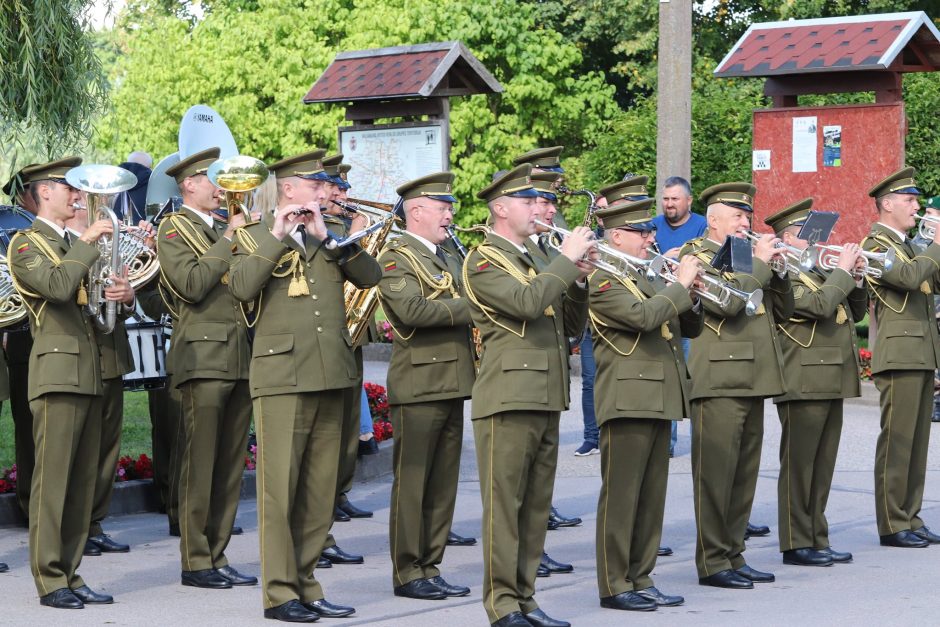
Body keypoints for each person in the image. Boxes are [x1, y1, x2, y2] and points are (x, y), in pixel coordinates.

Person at [229, 149, 381, 623]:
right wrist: (276, 235)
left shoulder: (328, 237)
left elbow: (372, 278)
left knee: (319, 491)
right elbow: (239, 287)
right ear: (288, 188)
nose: (325, 192)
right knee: (280, 491)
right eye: (315, 185)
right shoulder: (251, 234)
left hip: (331, 371)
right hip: (281, 378)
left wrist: (329, 239)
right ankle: (279, 593)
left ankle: (308, 583)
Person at [462, 163, 594, 627]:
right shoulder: (483, 259)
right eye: (528, 201)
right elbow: (525, 304)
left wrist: (578, 279)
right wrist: (563, 264)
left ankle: (526, 598)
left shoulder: (540, 258)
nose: (540, 209)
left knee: (536, 507)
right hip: (508, 394)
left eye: (541, 202)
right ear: (501, 208)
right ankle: (501, 605)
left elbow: (570, 328)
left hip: (545, 393)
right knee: (505, 507)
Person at [8, 157, 116, 608]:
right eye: (68, 187)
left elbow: (95, 310)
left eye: (78, 188)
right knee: (52, 483)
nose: (77, 196)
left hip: (89, 369)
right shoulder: (25, 243)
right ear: (43, 192)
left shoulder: (75, 242)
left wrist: (120, 296)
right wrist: (89, 240)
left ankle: (71, 571)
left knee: (80, 482)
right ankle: (49, 578)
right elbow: (55, 286)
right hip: (55, 372)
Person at [589, 197, 702, 611]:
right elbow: (642, 317)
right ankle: (614, 583)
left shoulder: (648, 273)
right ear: (616, 235)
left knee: (651, 497)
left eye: (650, 231)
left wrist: (694, 291)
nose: (650, 238)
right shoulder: (603, 278)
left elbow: (684, 323)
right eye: (642, 232)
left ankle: (642, 576)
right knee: (622, 497)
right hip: (627, 398)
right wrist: (679, 286)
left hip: (657, 395)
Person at [678, 182, 793, 589]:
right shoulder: (696, 256)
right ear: (713, 221)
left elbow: (784, 311)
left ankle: (734, 554)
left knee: (743, 476)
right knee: (715, 477)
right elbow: (724, 303)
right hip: (720, 379)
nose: (746, 222)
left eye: (747, 215)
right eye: (737, 216)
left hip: (753, 376)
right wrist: (761, 266)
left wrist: (778, 274)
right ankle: (712, 561)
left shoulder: (747, 256)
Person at [157, 147, 256, 589]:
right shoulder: (174, 228)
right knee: (200, 463)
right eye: (210, 178)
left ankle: (217, 553)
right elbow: (194, 285)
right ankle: (196, 559)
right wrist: (231, 238)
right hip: (203, 357)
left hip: (239, 355)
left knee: (230, 464)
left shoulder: (222, 228)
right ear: (189, 184)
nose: (220, 187)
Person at [377, 172, 475, 601]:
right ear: (416, 211)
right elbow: (413, 310)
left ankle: (430, 566)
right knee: (414, 483)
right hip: (420, 382)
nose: (450, 215)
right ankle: (407, 571)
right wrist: (476, 307)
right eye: (442, 207)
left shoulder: (448, 253)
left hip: (453, 379)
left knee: (442, 483)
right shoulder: (396, 256)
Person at [767, 199, 867, 566]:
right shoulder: (783, 275)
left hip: (831, 374)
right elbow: (821, 306)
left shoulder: (820, 269)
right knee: (799, 465)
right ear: (789, 237)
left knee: (822, 464)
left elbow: (854, 312)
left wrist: (855, 278)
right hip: (802, 377)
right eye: (811, 235)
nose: (819, 241)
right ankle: (795, 542)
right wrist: (842, 272)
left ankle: (816, 535)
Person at [861, 167, 940, 548]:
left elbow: (931, 279)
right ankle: (893, 522)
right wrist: (937, 245)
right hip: (900, 353)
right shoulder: (876, 245)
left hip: (921, 351)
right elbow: (909, 279)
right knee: (898, 441)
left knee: (918, 441)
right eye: (910, 201)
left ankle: (911, 514)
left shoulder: (909, 244)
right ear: (887, 205)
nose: (917, 207)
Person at [63, 197, 138, 558]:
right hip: (76, 361)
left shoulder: (110, 249)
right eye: (87, 200)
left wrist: (127, 297)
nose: (96, 207)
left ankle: (94, 523)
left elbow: (122, 300)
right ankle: (71, 526)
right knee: (77, 450)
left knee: (107, 449)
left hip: (109, 356)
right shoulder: (67, 246)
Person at [651, 176, 707, 457]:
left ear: (688, 201)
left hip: (690, 310)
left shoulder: (702, 225)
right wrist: (663, 258)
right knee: (669, 376)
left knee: (692, 379)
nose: (669, 204)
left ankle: (702, 440)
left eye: (674, 199)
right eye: (665, 198)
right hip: (662, 307)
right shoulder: (653, 225)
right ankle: (667, 443)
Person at [2, 165, 39, 523]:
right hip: (19, 340)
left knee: (38, 431)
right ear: (26, 193)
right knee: (29, 433)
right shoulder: (9, 226)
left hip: (34, 336)